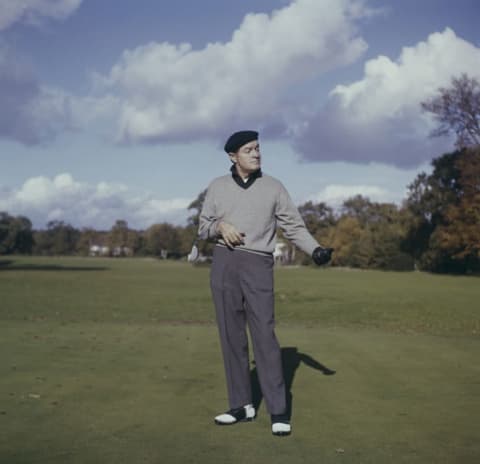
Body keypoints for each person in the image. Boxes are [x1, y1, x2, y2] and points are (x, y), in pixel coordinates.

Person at [198, 130, 333, 437]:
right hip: (223, 263)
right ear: (234, 156)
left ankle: (278, 410)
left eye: (258, 148)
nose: (257, 153)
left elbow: (293, 226)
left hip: (258, 264)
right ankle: (240, 405)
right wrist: (219, 226)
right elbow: (203, 227)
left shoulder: (273, 187)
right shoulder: (217, 187)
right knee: (231, 337)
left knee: (264, 336)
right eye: (249, 149)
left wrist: (316, 250)